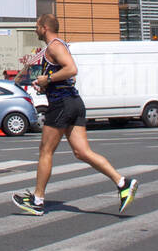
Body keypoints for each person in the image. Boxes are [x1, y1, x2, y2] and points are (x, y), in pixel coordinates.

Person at [12, 14, 138, 217]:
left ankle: (37, 200)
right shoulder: (55, 47)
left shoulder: (54, 45)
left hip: (62, 104)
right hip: (72, 102)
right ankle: (123, 183)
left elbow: (71, 69)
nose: (35, 29)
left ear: (44, 28)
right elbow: (62, 74)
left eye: (36, 26)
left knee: (45, 150)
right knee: (82, 152)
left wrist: (48, 78)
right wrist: (45, 83)